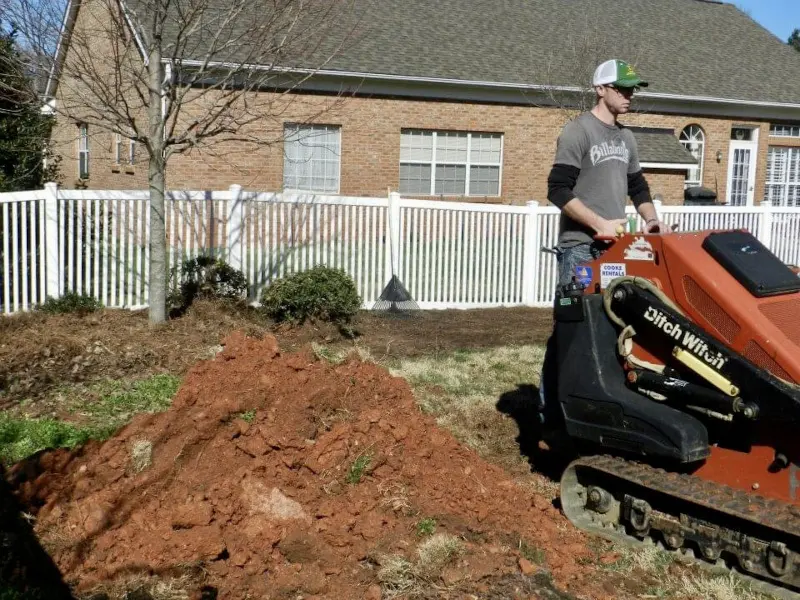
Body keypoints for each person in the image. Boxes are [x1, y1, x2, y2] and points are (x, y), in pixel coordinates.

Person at [546, 59, 670, 288]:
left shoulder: (627, 137)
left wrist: (652, 220)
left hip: (616, 247)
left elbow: (638, 187)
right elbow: (557, 189)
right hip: (580, 248)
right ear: (600, 89)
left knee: (612, 319)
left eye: (632, 89)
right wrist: (600, 225)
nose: (629, 94)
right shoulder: (578, 131)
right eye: (621, 88)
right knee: (578, 321)